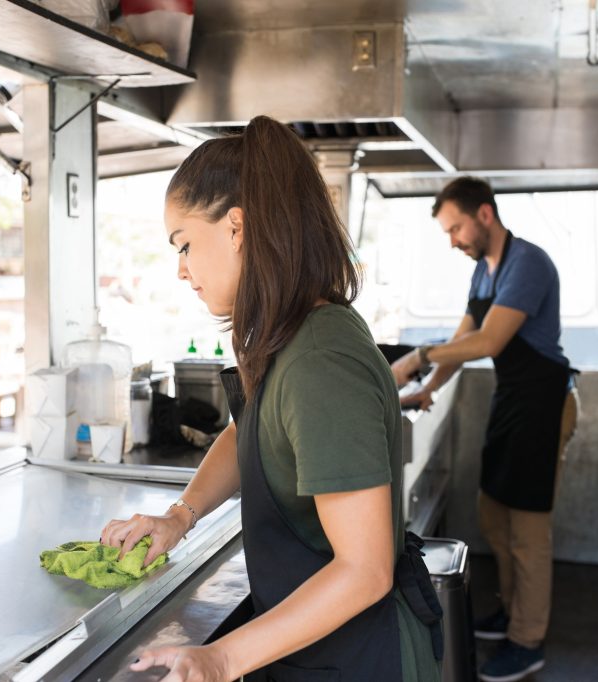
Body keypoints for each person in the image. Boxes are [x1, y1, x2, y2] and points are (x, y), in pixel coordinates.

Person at [99, 116, 443, 682]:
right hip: (318, 652)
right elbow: (248, 430)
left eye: (184, 244)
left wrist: (222, 656)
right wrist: (178, 518)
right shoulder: (290, 334)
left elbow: (365, 569)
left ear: (237, 227)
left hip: (361, 661)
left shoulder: (321, 361)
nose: (181, 270)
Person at [390, 177, 579, 682]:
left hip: (543, 402)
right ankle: (512, 611)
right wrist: (428, 386)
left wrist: (417, 357)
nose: (452, 239)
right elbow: (465, 337)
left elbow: (491, 341)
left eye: (455, 227)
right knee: (494, 515)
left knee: (528, 530)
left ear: (485, 216)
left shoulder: (528, 263)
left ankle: (527, 639)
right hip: (512, 402)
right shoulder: (483, 270)